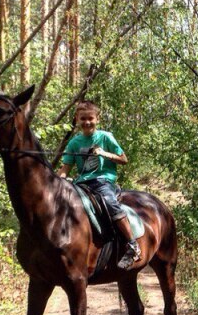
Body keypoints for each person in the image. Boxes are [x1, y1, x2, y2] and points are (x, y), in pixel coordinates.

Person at [57, 100, 142, 270]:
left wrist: (103, 153)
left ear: (97, 119)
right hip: (81, 183)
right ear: (77, 119)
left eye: (90, 118)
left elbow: (124, 159)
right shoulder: (74, 143)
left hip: (103, 180)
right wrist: (59, 180)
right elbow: (65, 168)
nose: (87, 122)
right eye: (83, 119)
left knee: (109, 202)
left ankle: (132, 246)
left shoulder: (105, 137)